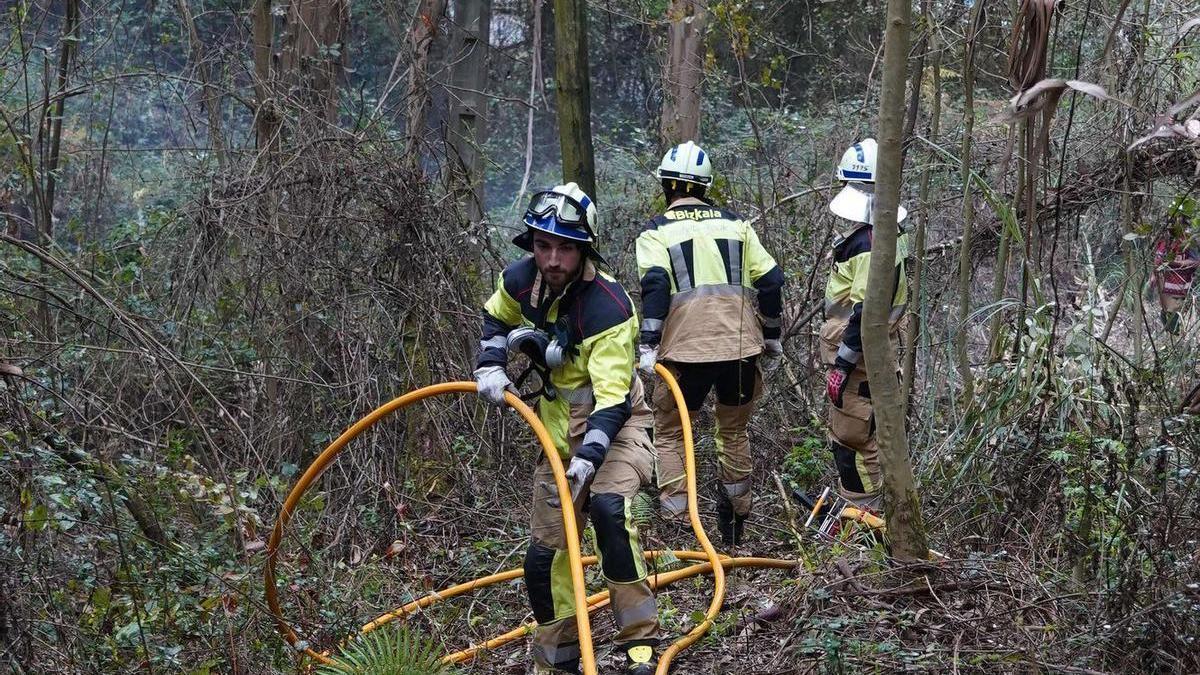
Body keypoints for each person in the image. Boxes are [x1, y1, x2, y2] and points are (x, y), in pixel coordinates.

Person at [474, 183, 660, 675]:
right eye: (543, 245)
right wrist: (490, 365)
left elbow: (613, 399)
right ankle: (558, 658)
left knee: (608, 513)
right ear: (532, 244)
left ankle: (640, 640)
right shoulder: (520, 281)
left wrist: (587, 460)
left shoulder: (608, 309)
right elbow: (495, 319)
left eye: (566, 248)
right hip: (556, 438)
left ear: (585, 250)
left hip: (616, 432)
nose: (553, 259)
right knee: (545, 556)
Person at [635, 141, 785, 547]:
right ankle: (735, 523)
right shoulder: (737, 225)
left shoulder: (656, 232)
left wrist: (648, 344)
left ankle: (681, 527)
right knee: (733, 431)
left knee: (668, 433)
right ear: (706, 186)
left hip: (684, 353)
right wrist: (770, 335)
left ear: (668, 185)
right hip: (740, 350)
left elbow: (654, 285)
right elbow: (771, 281)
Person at [820, 138, 909, 512]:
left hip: (859, 360)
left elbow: (865, 313)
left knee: (853, 440)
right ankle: (876, 515)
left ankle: (866, 519)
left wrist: (842, 364)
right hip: (871, 354)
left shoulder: (869, 244)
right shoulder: (886, 237)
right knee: (871, 436)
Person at [1153, 196, 1200, 336]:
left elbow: (1196, 261)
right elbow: (1158, 258)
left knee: (1176, 310)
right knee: (1167, 310)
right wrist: (1153, 275)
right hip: (1165, 283)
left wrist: (1175, 263)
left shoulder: (1189, 240)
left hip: (1182, 284)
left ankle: (1176, 334)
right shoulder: (1165, 238)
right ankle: (1172, 333)